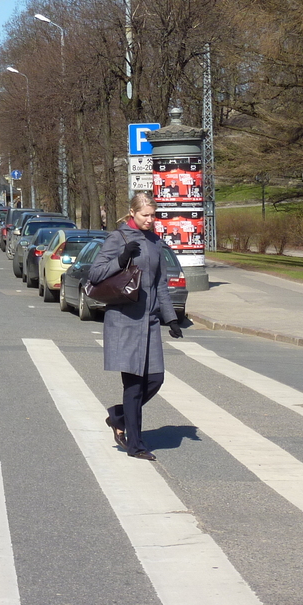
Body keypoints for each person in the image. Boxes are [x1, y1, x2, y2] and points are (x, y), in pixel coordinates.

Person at [89, 192, 182, 461]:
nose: (150, 220)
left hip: (150, 322)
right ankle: (136, 444)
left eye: (153, 215)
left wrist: (171, 318)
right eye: (145, 215)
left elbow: (160, 284)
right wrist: (121, 259)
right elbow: (95, 274)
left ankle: (118, 416)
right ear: (132, 213)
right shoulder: (118, 238)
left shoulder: (155, 243)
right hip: (124, 322)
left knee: (155, 379)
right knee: (133, 385)